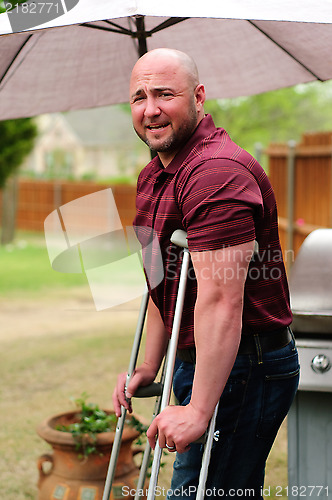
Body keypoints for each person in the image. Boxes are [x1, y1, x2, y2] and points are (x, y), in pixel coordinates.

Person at [113, 48, 299, 499]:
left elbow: (221, 299)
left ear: (198, 96)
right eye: (139, 97)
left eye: (164, 94)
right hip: (200, 358)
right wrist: (147, 364)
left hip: (244, 365)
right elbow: (164, 286)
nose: (150, 109)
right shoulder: (153, 176)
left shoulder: (217, 173)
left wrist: (198, 410)